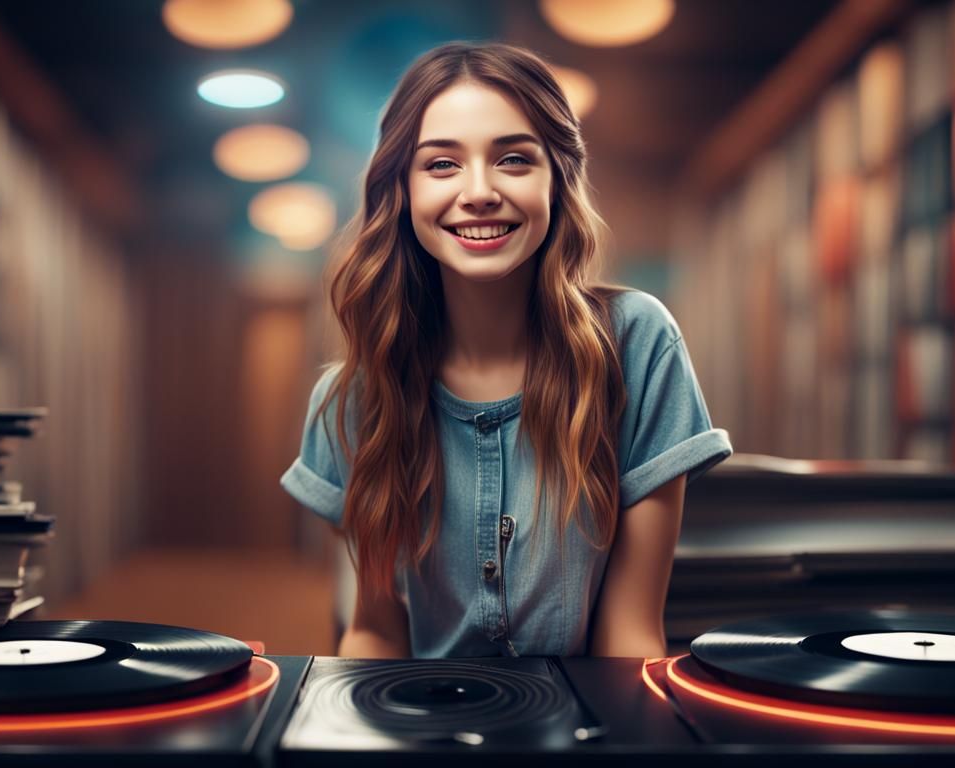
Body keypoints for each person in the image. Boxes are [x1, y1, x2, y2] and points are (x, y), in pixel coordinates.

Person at [281, 41, 731, 659]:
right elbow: (376, 628)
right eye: (441, 165)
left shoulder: (637, 344)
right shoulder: (352, 395)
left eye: (514, 159)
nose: (480, 192)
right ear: (402, 190)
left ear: (558, 180)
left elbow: (630, 638)